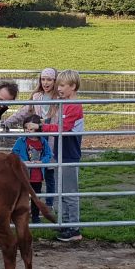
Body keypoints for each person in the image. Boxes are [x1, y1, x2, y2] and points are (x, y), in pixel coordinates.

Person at [26, 69, 84, 242]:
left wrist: (41, 128)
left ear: (73, 86)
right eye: (58, 85)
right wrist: (44, 122)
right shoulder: (64, 103)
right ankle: (67, 225)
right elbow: (59, 124)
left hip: (69, 153)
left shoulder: (73, 105)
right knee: (64, 191)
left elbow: (63, 127)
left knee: (70, 192)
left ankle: (74, 228)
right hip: (62, 152)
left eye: (63, 85)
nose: (59, 88)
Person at [3, 67, 59, 207]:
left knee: (49, 173)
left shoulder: (59, 99)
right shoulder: (37, 97)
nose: (46, 83)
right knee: (33, 172)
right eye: (43, 79)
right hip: (37, 137)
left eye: (49, 80)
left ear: (55, 81)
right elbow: (24, 111)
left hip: (52, 139)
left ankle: (49, 203)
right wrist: (8, 122)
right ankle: (32, 203)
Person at [11, 114, 53, 223]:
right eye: (26, 129)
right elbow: (14, 154)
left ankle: (35, 216)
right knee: (21, 195)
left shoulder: (43, 142)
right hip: (23, 175)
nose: (28, 131)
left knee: (36, 196)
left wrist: (42, 162)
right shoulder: (21, 141)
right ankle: (18, 216)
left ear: (38, 129)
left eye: (31, 129)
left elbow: (49, 154)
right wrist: (22, 161)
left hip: (37, 175)